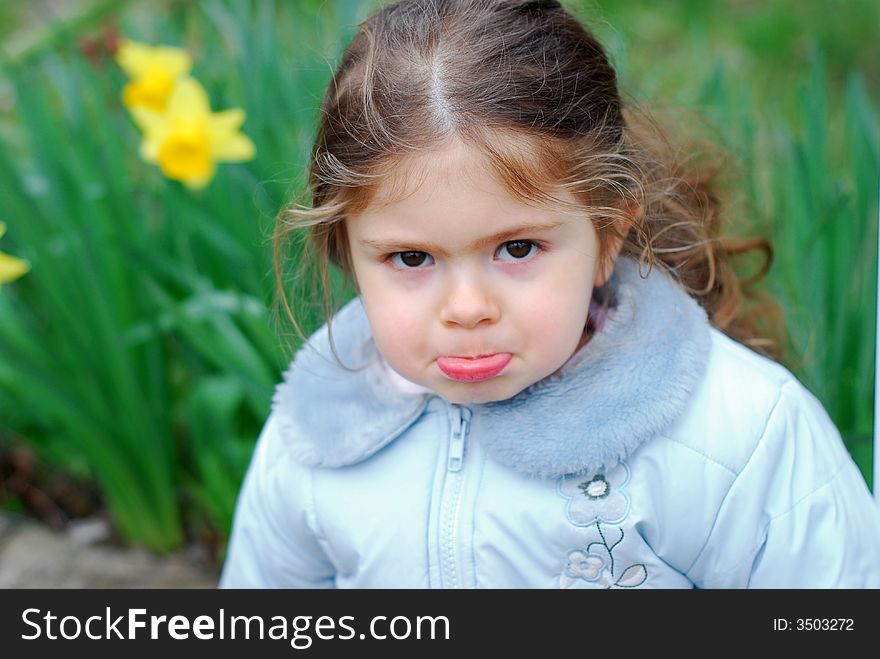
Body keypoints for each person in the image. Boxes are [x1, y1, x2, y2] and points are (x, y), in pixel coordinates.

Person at [220, 0, 880, 588]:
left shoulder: (739, 433)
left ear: (607, 237)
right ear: (347, 249)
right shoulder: (319, 431)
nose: (468, 307)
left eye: (517, 248)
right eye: (412, 257)